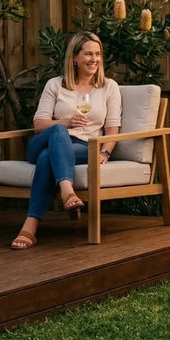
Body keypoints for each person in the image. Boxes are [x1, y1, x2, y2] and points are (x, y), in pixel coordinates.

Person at [10, 31, 121, 250]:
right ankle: (67, 190)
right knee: (58, 133)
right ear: (74, 58)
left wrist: (105, 152)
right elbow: (39, 124)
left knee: (46, 158)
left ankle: (30, 226)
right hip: (44, 141)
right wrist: (65, 122)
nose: (94, 59)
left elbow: (112, 129)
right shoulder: (55, 85)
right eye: (88, 54)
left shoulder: (109, 87)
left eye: (98, 54)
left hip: (83, 148)